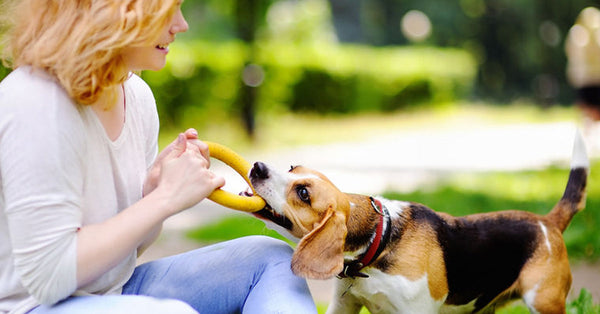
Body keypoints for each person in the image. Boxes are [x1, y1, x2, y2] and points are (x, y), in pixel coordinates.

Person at [0, 1, 317, 313]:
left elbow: (126, 255)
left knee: (272, 260)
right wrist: (163, 199)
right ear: (116, 11)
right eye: (168, 9)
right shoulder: (36, 103)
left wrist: (150, 192)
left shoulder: (136, 96)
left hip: (112, 293)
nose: (181, 24)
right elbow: (49, 279)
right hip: (30, 307)